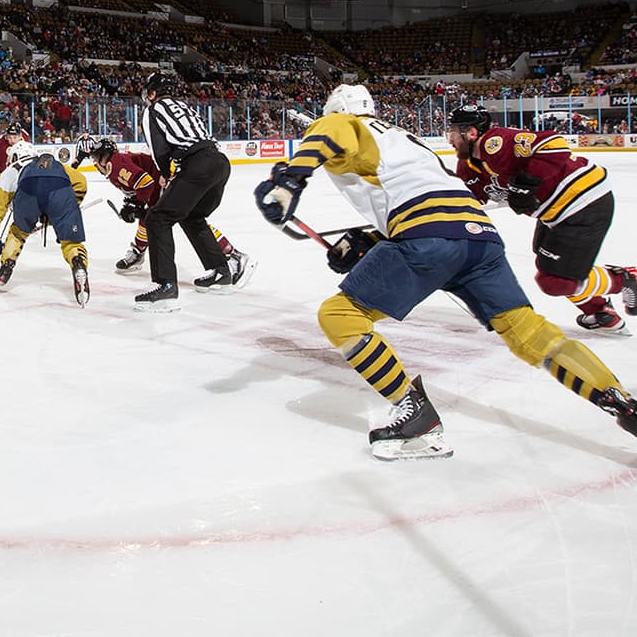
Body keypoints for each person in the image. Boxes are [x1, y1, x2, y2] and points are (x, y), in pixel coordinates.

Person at [254, 84, 637, 459]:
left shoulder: (348, 125)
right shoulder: (405, 140)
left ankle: (414, 413)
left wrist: (289, 180)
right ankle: (619, 401)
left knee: (339, 316)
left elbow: (332, 131)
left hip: (428, 235)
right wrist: (370, 242)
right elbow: (425, 195)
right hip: (480, 238)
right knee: (529, 332)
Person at [448, 105, 637, 333]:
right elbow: (468, 201)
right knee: (548, 267)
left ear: (471, 133)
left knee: (554, 281)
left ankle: (626, 279)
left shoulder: (495, 142)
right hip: (556, 212)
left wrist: (527, 182)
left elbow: (554, 145)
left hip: (582, 199)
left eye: (453, 132)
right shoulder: (467, 168)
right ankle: (599, 312)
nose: (450, 139)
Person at [81, 135, 255, 287]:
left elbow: (146, 183)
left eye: (99, 158)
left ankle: (232, 254)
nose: (97, 163)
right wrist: (133, 203)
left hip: (163, 183)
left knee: (180, 219)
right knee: (163, 219)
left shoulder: (116, 164)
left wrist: (138, 204)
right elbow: (136, 186)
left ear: (106, 156)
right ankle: (139, 251)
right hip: (162, 183)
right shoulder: (115, 165)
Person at [135, 72, 234, 309]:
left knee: (157, 218)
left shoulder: (153, 109)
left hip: (197, 165)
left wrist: (166, 175)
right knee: (192, 216)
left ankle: (166, 285)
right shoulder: (183, 105)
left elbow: (159, 150)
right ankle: (221, 272)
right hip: (220, 163)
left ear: (152, 92)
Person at [0, 139, 90, 306]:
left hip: (28, 193)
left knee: (18, 232)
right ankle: (78, 263)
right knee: (71, 242)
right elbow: (80, 182)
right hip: (60, 191)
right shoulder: (54, 163)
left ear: (15, 156)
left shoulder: (11, 170)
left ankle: (6, 266)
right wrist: (67, 209)